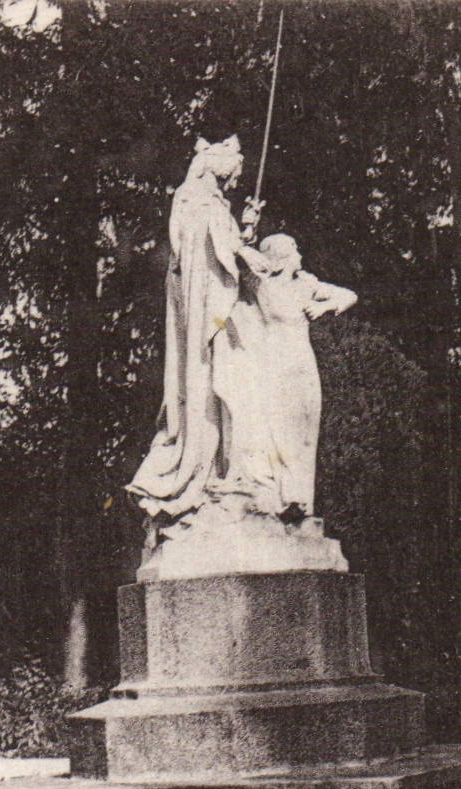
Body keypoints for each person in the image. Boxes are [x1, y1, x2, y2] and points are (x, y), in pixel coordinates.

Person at [126, 135, 266, 519]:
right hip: (211, 312)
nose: (235, 184)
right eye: (233, 176)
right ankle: (212, 469)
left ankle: (225, 466)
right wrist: (244, 251)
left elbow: (222, 244)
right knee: (221, 375)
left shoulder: (194, 200)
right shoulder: (200, 202)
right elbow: (218, 250)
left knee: (228, 377)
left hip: (211, 308)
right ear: (218, 170)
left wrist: (244, 233)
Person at [212, 234, 358, 519]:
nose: (299, 253)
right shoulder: (260, 285)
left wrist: (325, 306)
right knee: (279, 430)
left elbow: (349, 295)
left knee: (304, 430)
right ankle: (284, 496)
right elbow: (232, 264)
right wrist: (246, 234)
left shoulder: (307, 285)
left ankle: (300, 499)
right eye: (293, 248)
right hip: (273, 364)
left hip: (302, 363)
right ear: (279, 257)